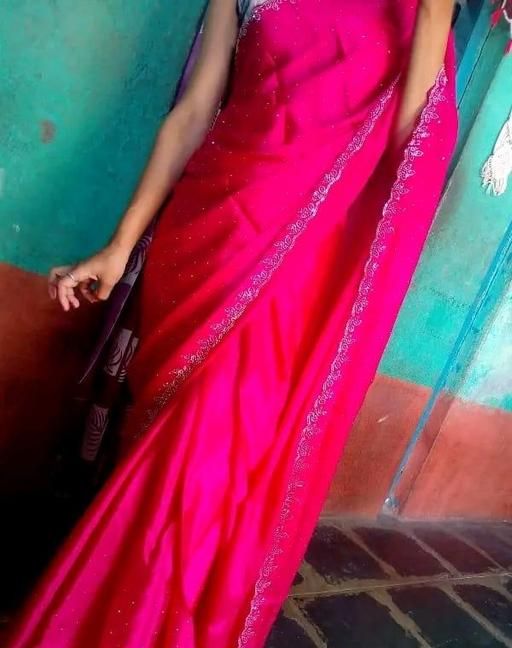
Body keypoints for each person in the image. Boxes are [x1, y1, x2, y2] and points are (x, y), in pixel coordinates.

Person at [7, 1, 457, 646]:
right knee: (170, 456)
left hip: (295, 271)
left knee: (205, 465)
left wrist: (435, 14)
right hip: (205, 239)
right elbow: (194, 113)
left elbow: (411, 149)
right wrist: (120, 245)